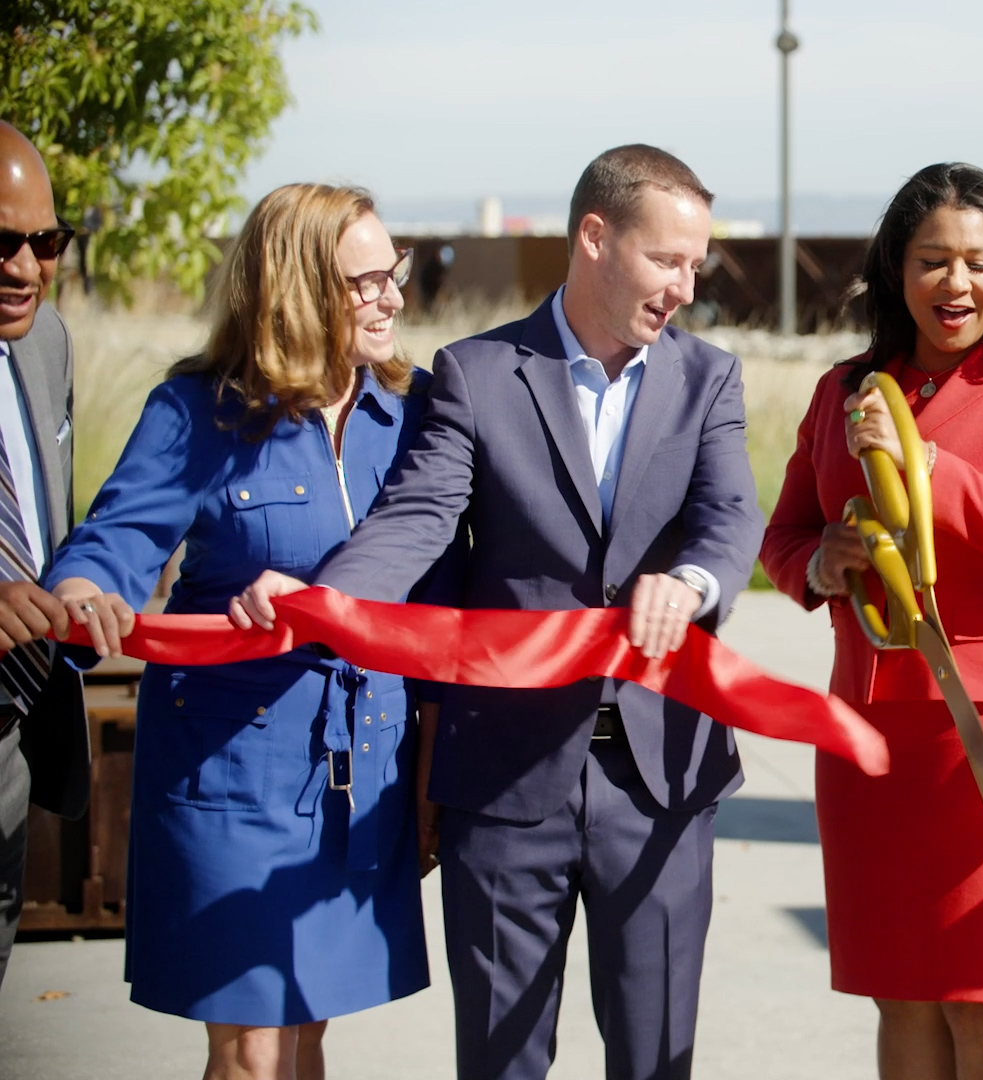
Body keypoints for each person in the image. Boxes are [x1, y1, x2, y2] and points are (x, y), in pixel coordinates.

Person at [234, 144, 761, 1080]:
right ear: (595, 238)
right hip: (508, 785)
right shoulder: (475, 374)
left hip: (662, 783)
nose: (687, 285)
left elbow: (727, 519)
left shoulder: (708, 378)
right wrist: (320, 603)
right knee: (500, 1064)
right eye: (668, 260)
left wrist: (691, 586)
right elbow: (416, 521)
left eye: (697, 263)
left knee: (656, 1064)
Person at [45, 182, 433, 1079]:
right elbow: (114, 541)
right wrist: (84, 588)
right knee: (252, 1047)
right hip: (232, 770)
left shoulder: (410, 415)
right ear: (297, 289)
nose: (392, 297)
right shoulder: (197, 412)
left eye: (394, 272)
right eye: (364, 281)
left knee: (303, 1036)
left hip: (360, 772)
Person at [759, 162, 983, 1080]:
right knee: (904, 989)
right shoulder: (848, 385)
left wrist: (925, 468)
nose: (956, 285)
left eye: (977, 262)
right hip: (876, 728)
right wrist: (820, 566)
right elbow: (786, 533)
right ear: (895, 270)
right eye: (931, 261)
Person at [0, 121, 89, 992]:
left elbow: (50, 521)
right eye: (1, 241)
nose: (24, 267)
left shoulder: (47, 340)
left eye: (45, 242)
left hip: (11, 740)